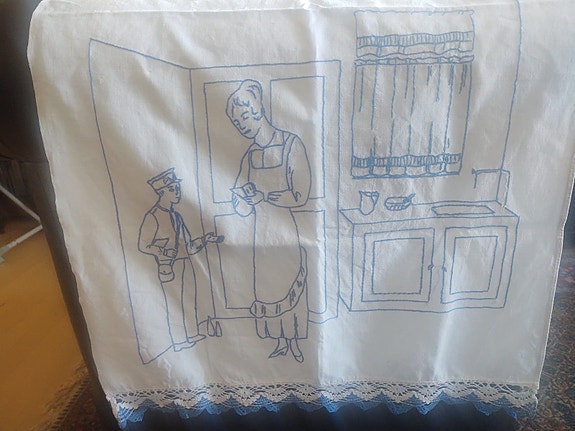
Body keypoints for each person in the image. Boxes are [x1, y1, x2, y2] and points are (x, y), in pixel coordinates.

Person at [226, 79, 311, 363]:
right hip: (261, 235)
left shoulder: (290, 145)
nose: (243, 125)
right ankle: (280, 343)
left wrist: (264, 195)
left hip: (286, 231)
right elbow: (239, 201)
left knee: (289, 285)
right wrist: (243, 201)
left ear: (258, 109)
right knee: (268, 288)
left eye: (245, 117)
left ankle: (295, 343)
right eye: (237, 123)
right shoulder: (249, 157)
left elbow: (300, 194)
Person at [138, 168, 222, 352]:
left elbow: (188, 244)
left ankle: (191, 333)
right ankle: (178, 340)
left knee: (189, 299)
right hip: (169, 265)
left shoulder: (176, 216)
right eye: (172, 189)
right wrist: (162, 252)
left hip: (185, 263)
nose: (177, 192)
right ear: (162, 192)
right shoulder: (153, 216)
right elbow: (144, 245)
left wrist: (205, 240)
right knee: (174, 301)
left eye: (177, 188)